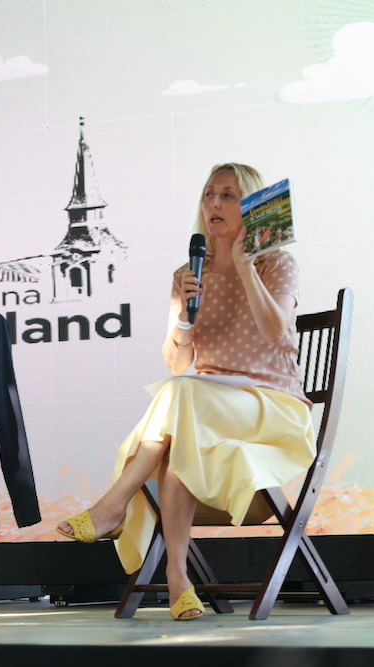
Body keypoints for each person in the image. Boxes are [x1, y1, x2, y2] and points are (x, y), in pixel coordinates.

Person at [56, 163, 315, 621]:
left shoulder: (276, 263)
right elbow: (176, 363)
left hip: (271, 407)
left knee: (181, 396)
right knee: (179, 438)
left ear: (253, 207)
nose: (214, 203)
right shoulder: (189, 272)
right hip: (205, 409)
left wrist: (244, 267)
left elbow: (277, 332)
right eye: (209, 194)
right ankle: (178, 579)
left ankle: (113, 504)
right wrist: (182, 315)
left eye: (229, 195)